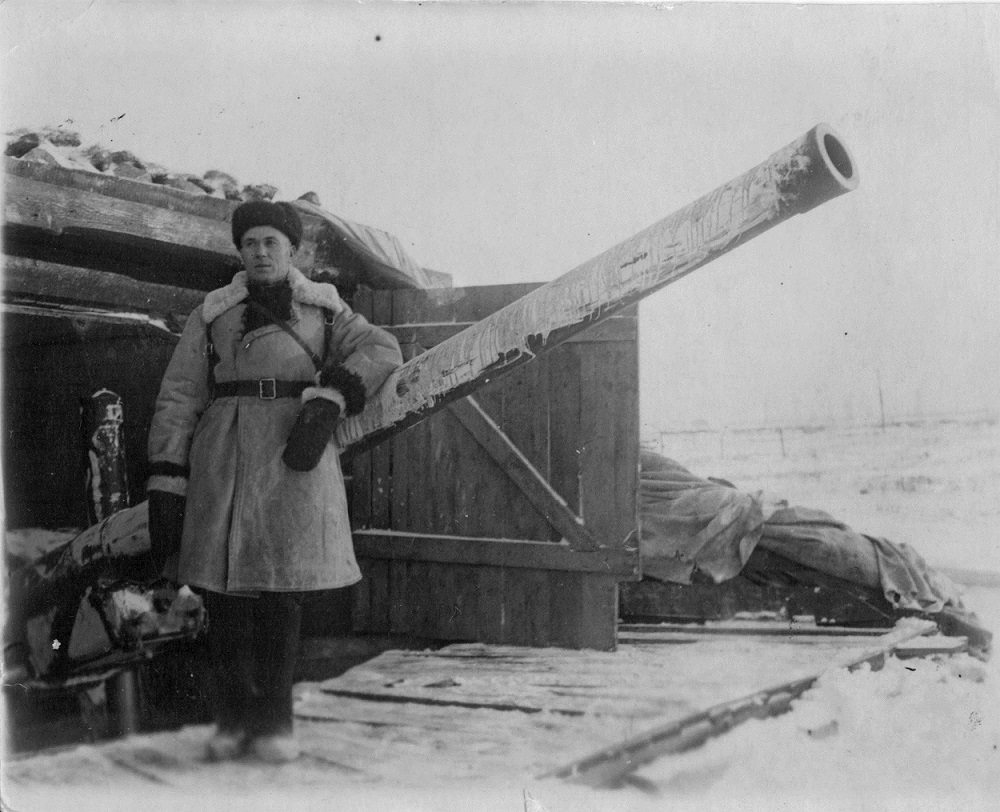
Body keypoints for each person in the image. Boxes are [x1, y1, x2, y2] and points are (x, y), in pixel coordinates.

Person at [146, 200, 402, 763]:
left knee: (282, 596)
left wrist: (331, 398)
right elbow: (180, 396)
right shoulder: (213, 313)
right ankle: (233, 721)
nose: (260, 253)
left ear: (294, 251)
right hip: (226, 455)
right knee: (225, 597)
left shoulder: (325, 310)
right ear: (239, 252)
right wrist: (167, 474)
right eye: (250, 243)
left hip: (294, 453)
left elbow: (382, 348)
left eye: (272, 243)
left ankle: (276, 724)